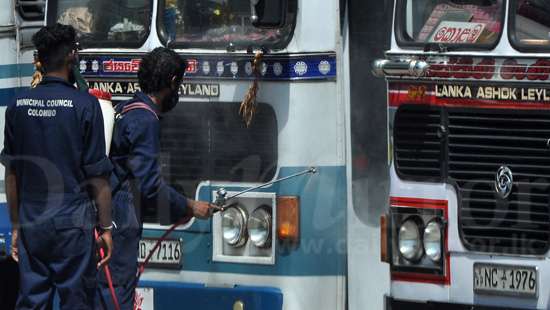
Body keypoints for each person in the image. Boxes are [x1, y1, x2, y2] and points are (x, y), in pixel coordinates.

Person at [1, 23, 114, 309]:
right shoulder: (85, 106)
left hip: (32, 223)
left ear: (38, 59)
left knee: (32, 301)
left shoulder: (17, 105)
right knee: (76, 301)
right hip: (72, 226)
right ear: (72, 57)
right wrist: (106, 228)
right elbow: (98, 177)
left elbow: (11, 174)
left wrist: (16, 225)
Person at [96, 47, 216, 310]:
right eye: (180, 84)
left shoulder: (125, 108)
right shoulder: (145, 120)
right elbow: (150, 186)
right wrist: (190, 206)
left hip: (109, 216)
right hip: (121, 221)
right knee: (115, 296)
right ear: (172, 82)